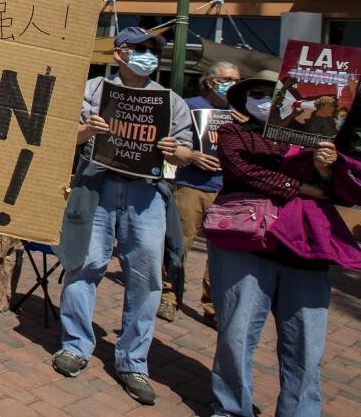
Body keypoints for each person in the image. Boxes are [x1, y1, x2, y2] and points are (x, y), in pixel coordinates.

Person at [52, 27, 195, 406]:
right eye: (141, 48)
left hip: (146, 195)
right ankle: (75, 345)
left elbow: (185, 155)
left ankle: (133, 362)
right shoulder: (93, 90)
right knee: (84, 265)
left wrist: (173, 151)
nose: (149, 54)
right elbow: (62, 135)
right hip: (95, 188)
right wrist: (87, 130)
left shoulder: (170, 101)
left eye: (154, 50)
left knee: (146, 276)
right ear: (119, 53)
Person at [209, 72, 361, 417]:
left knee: (307, 345)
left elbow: (344, 190)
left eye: (270, 92)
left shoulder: (319, 141)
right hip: (246, 245)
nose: (263, 98)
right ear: (243, 102)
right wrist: (302, 187)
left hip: (306, 250)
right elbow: (243, 172)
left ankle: (301, 411)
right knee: (236, 334)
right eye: (256, 93)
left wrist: (324, 169)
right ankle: (231, 408)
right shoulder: (235, 133)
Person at [158, 61, 240, 325]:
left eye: (237, 80)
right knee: (178, 245)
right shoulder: (190, 105)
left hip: (227, 190)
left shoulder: (241, 113)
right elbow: (170, 141)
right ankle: (168, 297)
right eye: (227, 79)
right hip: (191, 186)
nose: (233, 85)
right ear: (210, 81)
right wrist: (192, 156)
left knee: (221, 254)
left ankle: (213, 307)